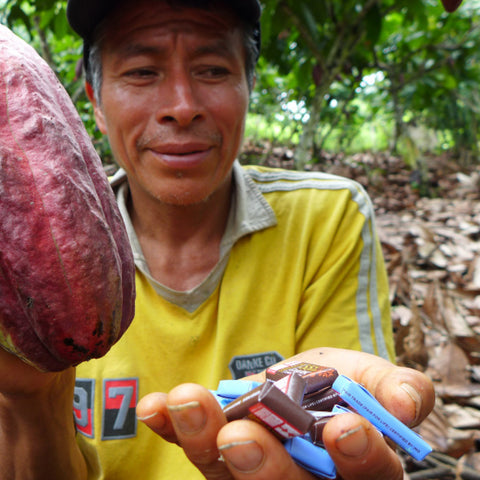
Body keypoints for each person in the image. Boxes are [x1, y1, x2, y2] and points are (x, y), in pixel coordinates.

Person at [0, 1, 435, 479]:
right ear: (95, 101)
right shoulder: (27, 263)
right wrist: (33, 402)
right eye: (143, 72)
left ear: (249, 86)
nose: (181, 107)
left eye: (212, 69)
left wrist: (331, 428)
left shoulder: (326, 216)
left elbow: (345, 422)